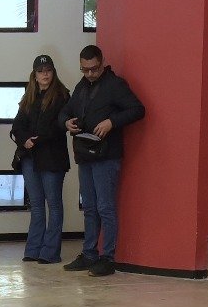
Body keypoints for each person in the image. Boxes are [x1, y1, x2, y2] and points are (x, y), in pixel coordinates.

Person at [60, 44, 145, 275]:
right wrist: (66, 122)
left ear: (102, 63)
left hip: (106, 155)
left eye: (94, 69)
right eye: (85, 69)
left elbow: (138, 109)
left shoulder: (115, 85)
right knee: (89, 207)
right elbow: (65, 111)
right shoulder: (82, 86)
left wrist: (111, 122)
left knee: (105, 207)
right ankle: (89, 253)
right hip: (85, 153)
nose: (89, 74)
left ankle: (108, 257)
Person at [9, 54, 72, 264]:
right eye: (40, 71)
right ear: (34, 75)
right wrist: (24, 139)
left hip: (52, 158)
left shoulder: (63, 96)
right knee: (36, 205)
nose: (45, 74)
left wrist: (36, 139)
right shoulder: (29, 97)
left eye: (48, 71)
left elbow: (59, 126)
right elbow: (17, 125)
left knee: (53, 205)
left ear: (53, 72)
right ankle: (33, 249)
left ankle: (50, 252)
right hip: (30, 157)